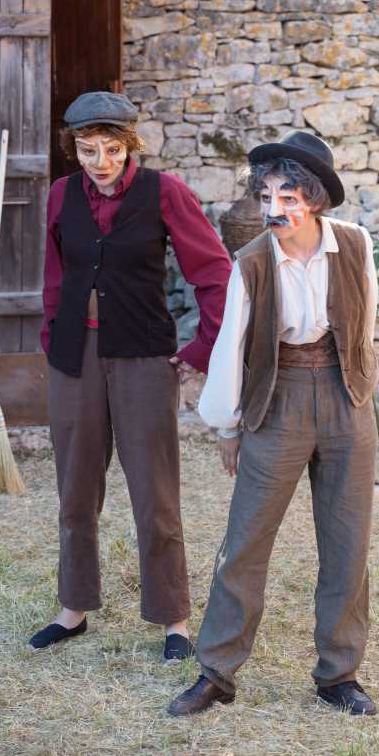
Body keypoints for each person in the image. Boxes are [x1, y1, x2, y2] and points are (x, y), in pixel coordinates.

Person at [168, 130, 379, 715]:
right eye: (266, 197)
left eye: (288, 197)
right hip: (277, 398)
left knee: (347, 542)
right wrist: (229, 427)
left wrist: (357, 387)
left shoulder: (355, 244)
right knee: (245, 541)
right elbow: (231, 346)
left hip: (344, 397)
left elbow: (364, 322)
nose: (274, 209)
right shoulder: (253, 262)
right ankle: (216, 670)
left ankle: (339, 675)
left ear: (314, 199)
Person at [28, 91, 232, 663]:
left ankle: (173, 618)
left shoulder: (165, 192)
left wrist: (202, 347)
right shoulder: (61, 195)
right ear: (74, 148)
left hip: (143, 356)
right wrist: (53, 337)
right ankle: (73, 609)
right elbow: (54, 276)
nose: (101, 162)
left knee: (154, 491)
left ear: (130, 145)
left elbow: (214, 274)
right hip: (75, 356)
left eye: (112, 149)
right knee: (74, 488)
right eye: (88, 150)